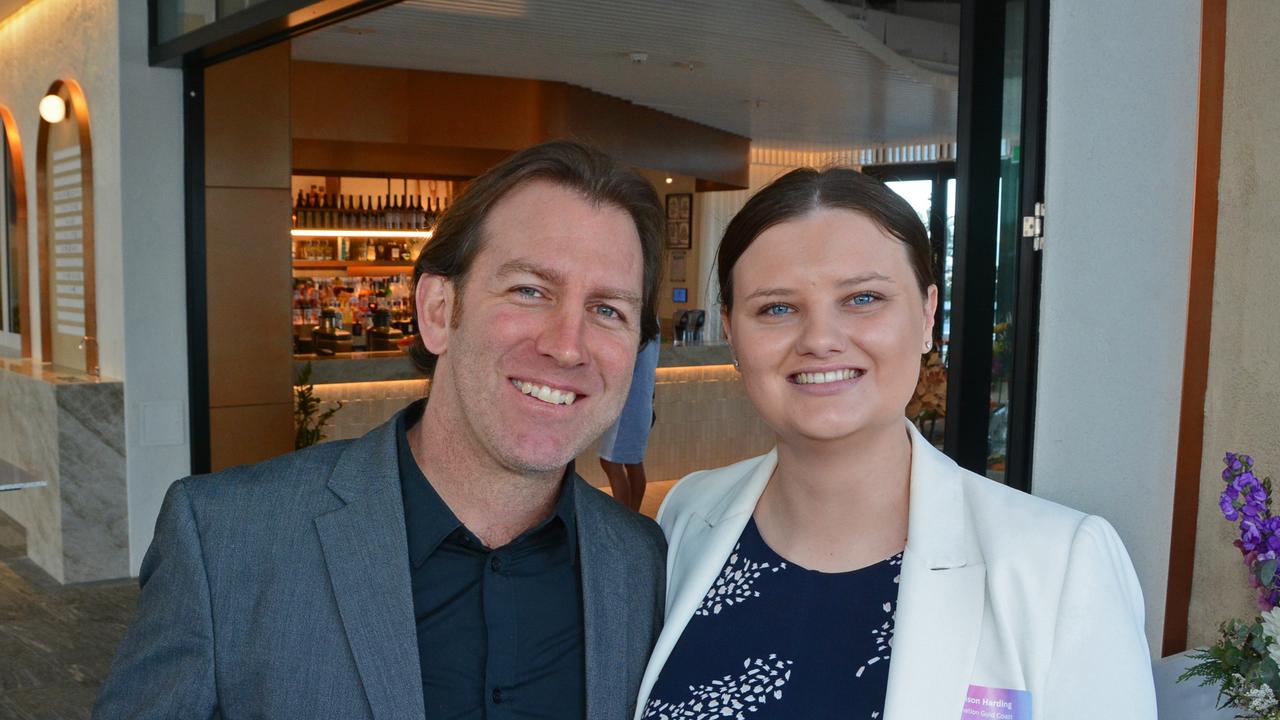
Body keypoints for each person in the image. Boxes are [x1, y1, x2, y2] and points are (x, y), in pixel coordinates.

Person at [94, 141, 667, 719]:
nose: (567, 345)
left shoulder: (644, 566)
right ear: (438, 311)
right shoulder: (223, 541)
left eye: (608, 310)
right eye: (529, 290)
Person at [633, 167, 1156, 718]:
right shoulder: (686, 517)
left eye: (862, 298)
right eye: (777, 308)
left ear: (928, 314)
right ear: (732, 331)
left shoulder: (1059, 564)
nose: (820, 340)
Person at [599, 323, 660, 511]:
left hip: (627, 405)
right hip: (641, 403)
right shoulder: (652, 325)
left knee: (611, 461)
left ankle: (624, 515)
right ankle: (632, 515)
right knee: (633, 462)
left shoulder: (637, 325)